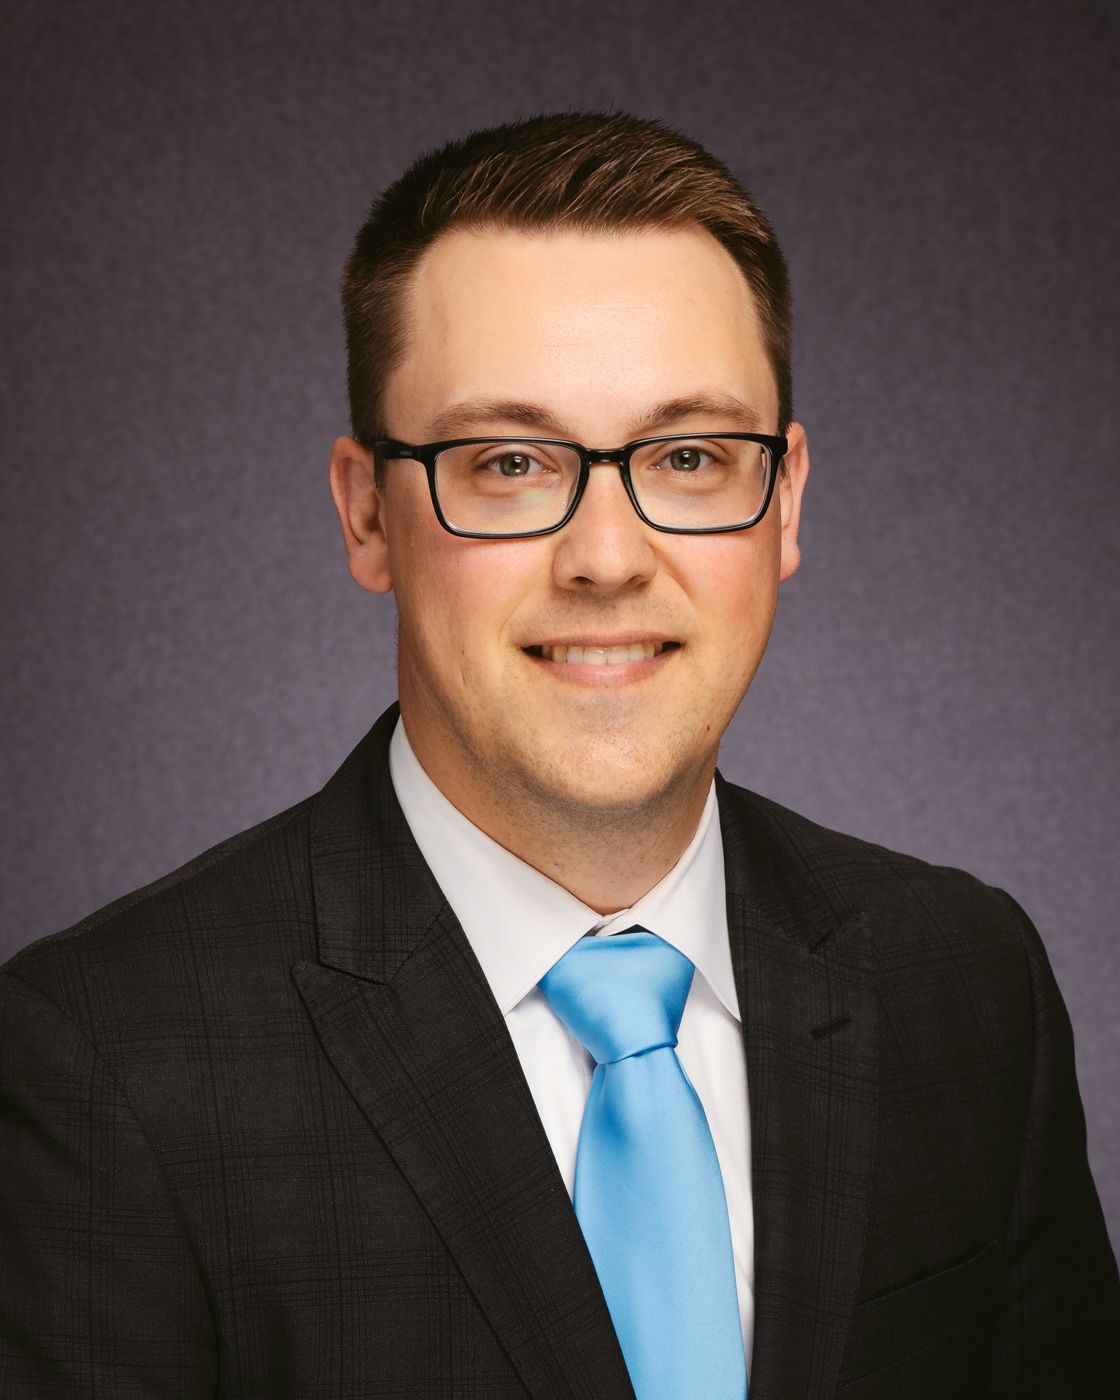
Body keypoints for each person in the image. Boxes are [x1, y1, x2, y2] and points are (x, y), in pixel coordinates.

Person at [1, 110, 1116, 1400]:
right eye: (511, 463)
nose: (605, 556)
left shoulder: (966, 983)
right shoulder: (101, 1066)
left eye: (690, 456)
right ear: (367, 514)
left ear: (786, 499)